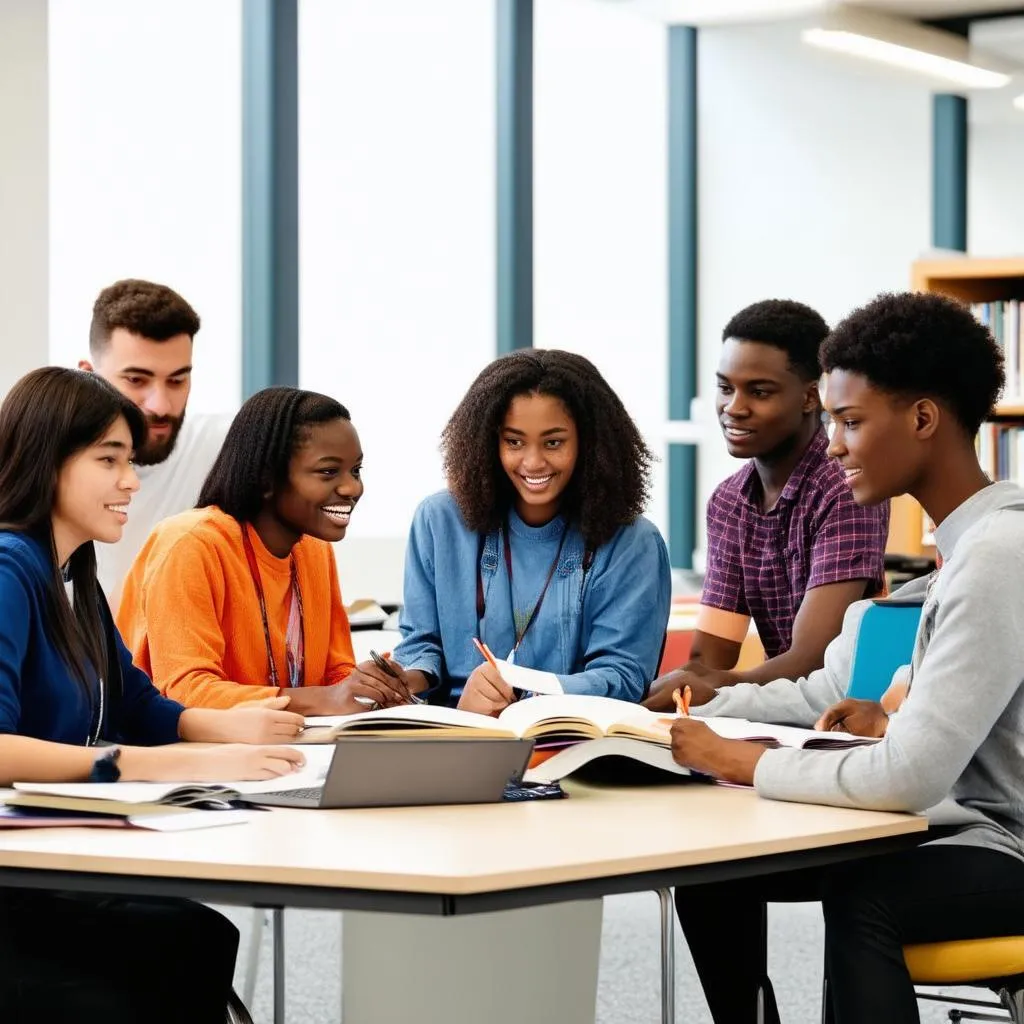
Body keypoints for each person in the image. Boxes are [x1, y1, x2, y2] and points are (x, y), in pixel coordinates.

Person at [667, 292, 1024, 1024]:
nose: (831, 445)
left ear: (923, 419)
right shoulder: (962, 552)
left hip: (1003, 842)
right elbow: (826, 689)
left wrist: (742, 761)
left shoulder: (996, 556)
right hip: (956, 822)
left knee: (867, 901)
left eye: (850, 422)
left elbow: (910, 775)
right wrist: (705, 705)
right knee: (716, 869)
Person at [0, 367, 306, 1024]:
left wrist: (229, 728)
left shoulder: (72, 575)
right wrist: (143, 764)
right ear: (48, 461)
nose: (132, 482)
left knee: (199, 935)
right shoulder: (8, 570)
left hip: (43, 864)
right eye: (108, 460)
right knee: (170, 955)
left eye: (131, 461)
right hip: (13, 885)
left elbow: (135, 704)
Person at [390, 348, 671, 712]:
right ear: (488, 443)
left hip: (570, 736)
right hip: (453, 731)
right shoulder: (438, 520)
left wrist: (523, 690)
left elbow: (624, 674)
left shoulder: (634, 543)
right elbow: (419, 644)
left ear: (590, 444)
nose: (533, 462)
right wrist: (399, 680)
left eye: (553, 442)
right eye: (514, 442)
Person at [645, 299, 890, 711]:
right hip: (773, 712)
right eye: (725, 387)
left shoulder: (845, 485)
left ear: (811, 397)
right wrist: (681, 687)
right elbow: (710, 658)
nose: (733, 408)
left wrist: (717, 688)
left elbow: (815, 661)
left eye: (759, 392)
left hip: (845, 719)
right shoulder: (728, 502)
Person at [118, 386, 414, 714]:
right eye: (329, 471)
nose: (352, 488)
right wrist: (321, 699)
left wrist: (365, 685)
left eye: (355, 470)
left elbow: (334, 672)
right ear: (266, 479)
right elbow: (184, 691)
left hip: (285, 749)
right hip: (186, 755)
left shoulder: (315, 549)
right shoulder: (190, 544)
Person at [80, 279, 230, 607]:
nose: (160, 405)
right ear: (88, 376)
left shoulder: (223, 447)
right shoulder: (43, 471)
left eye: (177, 380)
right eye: (136, 380)